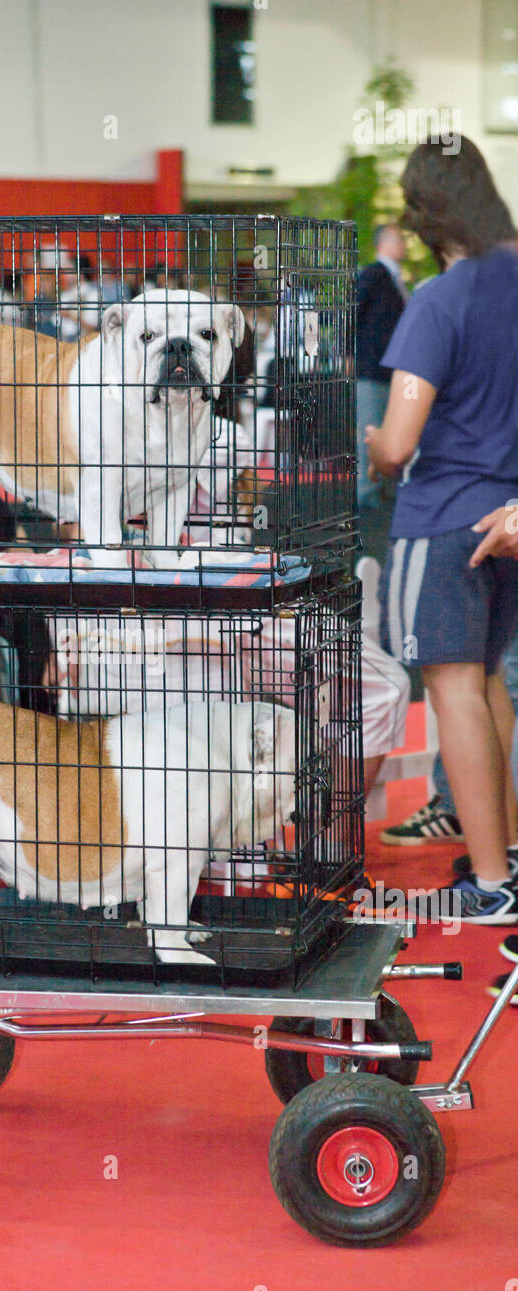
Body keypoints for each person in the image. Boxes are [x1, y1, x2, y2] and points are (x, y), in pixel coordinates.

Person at [366, 135, 518, 926]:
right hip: (507, 520)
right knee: (489, 683)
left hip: (444, 519)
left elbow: (396, 444)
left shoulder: (438, 299)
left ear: (422, 209)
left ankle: (491, 882)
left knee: (454, 690)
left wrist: (368, 445)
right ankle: (507, 858)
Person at [356, 224, 409, 510]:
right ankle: (367, 490)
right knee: (370, 429)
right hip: (373, 367)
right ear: (385, 243)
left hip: (388, 370)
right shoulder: (374, 274)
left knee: (387, 429)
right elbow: (352, 311)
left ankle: (382, 487)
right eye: (400, 238)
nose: (405, 244)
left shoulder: (392, 278)